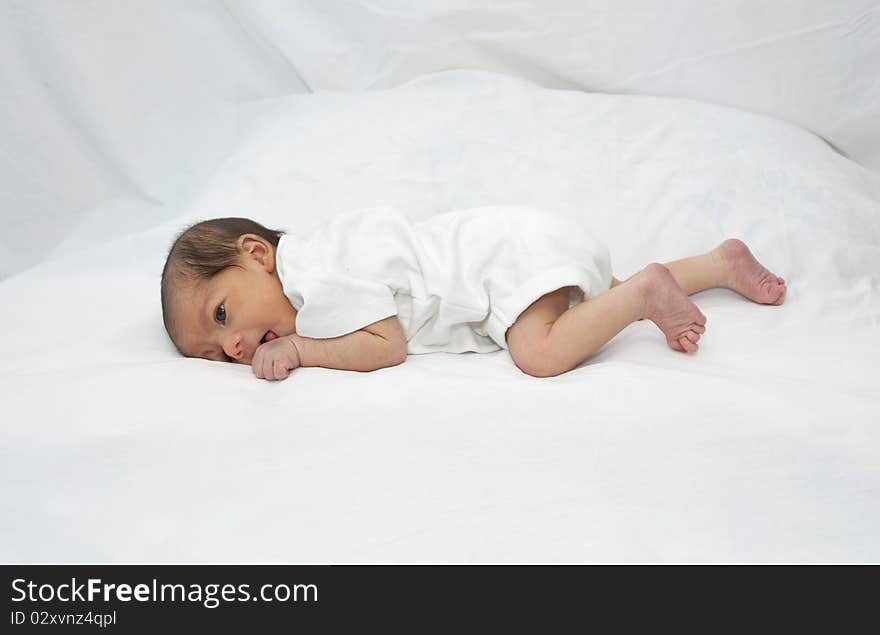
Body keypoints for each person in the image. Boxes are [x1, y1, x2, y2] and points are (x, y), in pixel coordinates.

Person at [160, 206, 786, 380]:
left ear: (257, 254)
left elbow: (385, 346)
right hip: (516, 239)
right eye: (214, 352)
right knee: (596, 304)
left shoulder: (315, 279)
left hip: (502, 262)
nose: (235, 344)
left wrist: (300, 350)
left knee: (539, 352)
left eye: (222, 314)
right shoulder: (322, 258)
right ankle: (717, 264)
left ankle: (651, 291)